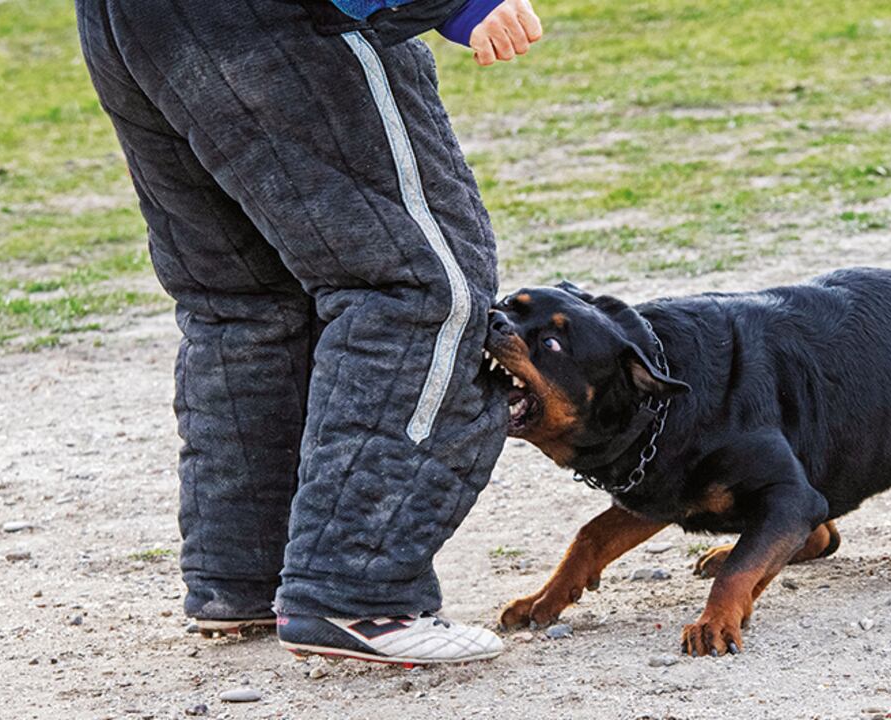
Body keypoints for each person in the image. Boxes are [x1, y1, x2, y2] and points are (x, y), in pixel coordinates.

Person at [75, 0, 542, 665]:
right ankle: (358, 592)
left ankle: (244, 579)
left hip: (134, 22)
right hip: (286, 20)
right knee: (421, 286)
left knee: (245, 300)